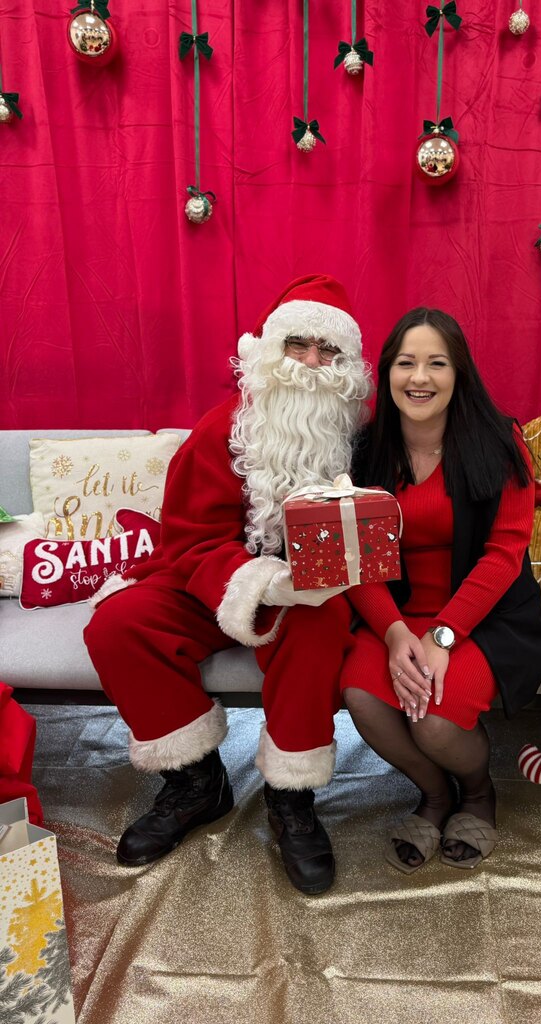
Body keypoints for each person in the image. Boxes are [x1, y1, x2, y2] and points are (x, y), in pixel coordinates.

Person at [84, 274, 372, 895]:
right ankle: (195, 783)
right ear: (269, 350)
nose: (311, 363)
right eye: (297, 345)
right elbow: (189, 539)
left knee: (318, 631)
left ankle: (291, 798)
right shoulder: (223, 429)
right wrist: (261, 583)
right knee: (120, 624)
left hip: (315, 600)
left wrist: (311, 581)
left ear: (347, 367)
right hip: (214, 584)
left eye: (328, 351)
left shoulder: (364, 439)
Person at [341, 308, 541, 872]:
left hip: (485, 616)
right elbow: (357, 561)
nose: (420, 377)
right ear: (386, 373)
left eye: (437, 363)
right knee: (362, 695)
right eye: (405, 363)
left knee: (432, 721)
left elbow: (504, 554)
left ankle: (478, 792)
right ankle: (435, 795)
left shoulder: (500, 441)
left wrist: (442, 636)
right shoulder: (364, 451)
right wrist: (393, 634)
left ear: (459, 373)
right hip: (395, 614)